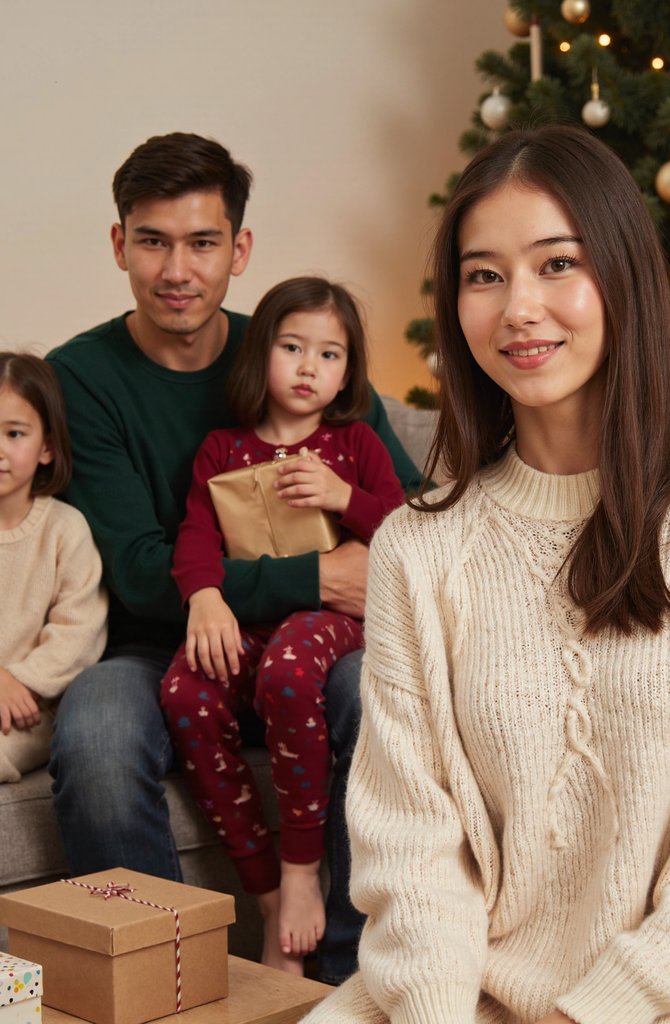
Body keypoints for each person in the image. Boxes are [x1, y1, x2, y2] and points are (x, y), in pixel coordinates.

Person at [303, 125, 670, 1024]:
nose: (519, 306)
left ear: (624, 274)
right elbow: (411, 844)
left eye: (557, 263)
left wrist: (589, 1012)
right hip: (473, 992)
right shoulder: (419, 545)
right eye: (484, 275)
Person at [46, 133, 420, 984]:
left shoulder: (297, 351)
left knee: (374, 691)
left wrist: (340, 576)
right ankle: (167, 985)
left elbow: (411, 509)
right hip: (158, 639)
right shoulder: (79, 379)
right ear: (120, 246)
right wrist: (319, 575)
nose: (178, 269)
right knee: (98, 735)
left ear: (239, 250)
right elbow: (141, 570)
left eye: (203, 242)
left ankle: (338, 977)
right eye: (153, 241)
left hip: (315, 641)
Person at [161, 276, 405, 973]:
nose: (308, 367)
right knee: (184, 691)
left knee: (291, 665)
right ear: (259, 354)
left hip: (328, 626)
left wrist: (343, 497)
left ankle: (303, 871)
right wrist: (205, 597)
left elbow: (406, 532)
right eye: (292, 347)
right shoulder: (221, 449)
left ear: (348, 371)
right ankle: (268, 896)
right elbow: (196, 539)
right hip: (250, 624)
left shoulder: (355, 444)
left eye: (329, 355)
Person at [0, 353, 107, 783]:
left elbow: (79, 631)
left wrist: (19, 682)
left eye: (14, 433)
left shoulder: (65, 528)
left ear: (46, 446)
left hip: (28, 710)